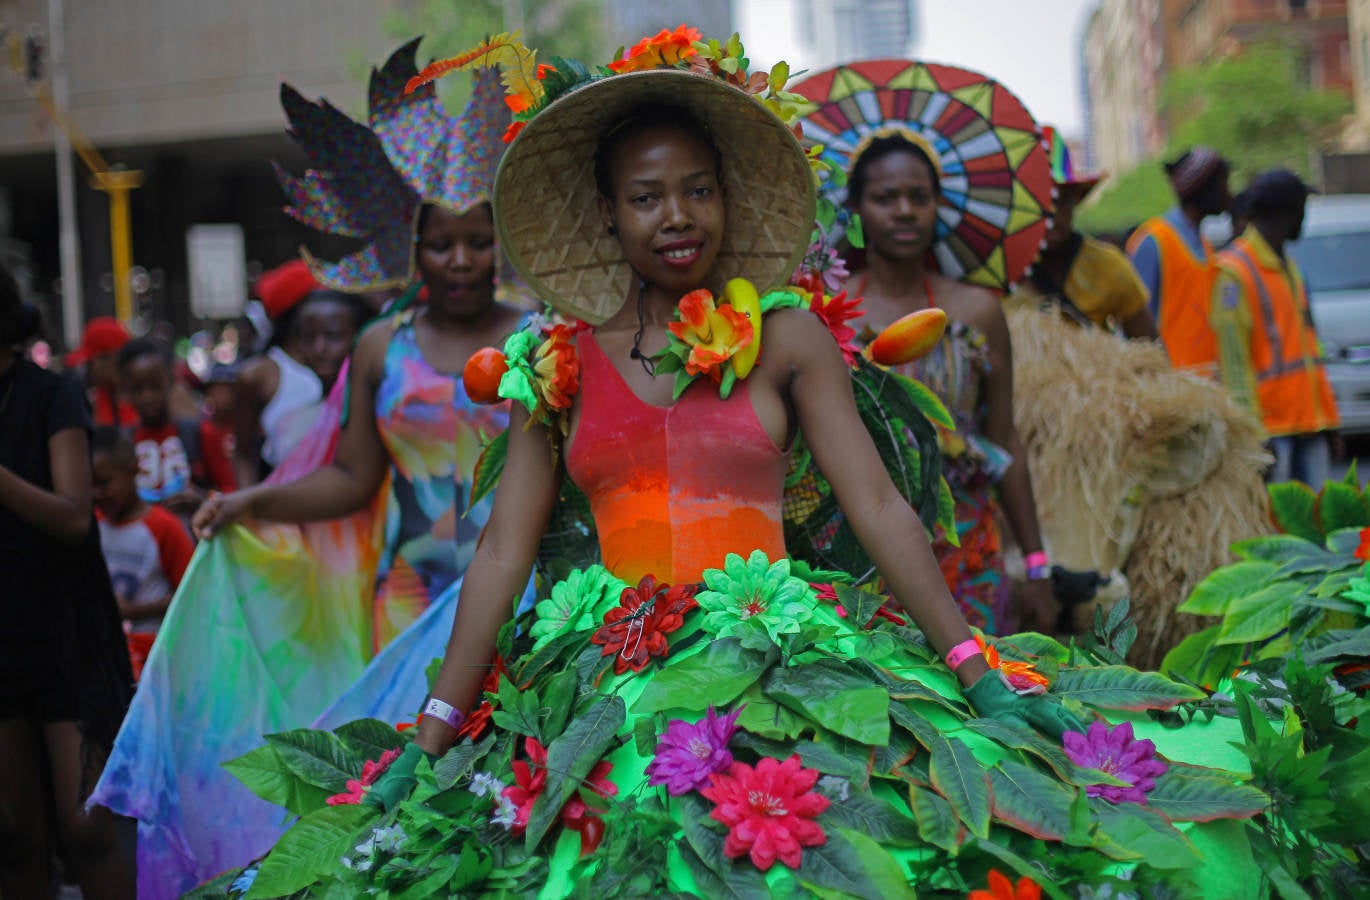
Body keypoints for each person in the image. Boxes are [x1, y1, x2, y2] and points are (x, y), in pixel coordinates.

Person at [221, 36, 1267, 900]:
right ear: (608, 216)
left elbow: (879, 506)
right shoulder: (554, 360)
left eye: (697, 190)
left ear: (725, 202)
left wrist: (970, 668)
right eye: (645, 197)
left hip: (782, 651)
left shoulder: (787, 335)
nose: (674, 216)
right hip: (596, 675)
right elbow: (500, 550)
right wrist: (437, 726)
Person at [89, 42, 521, 896]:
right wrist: (251, 500)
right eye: (442, 244)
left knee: (512, 784)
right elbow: (354, 478)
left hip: (524, 591)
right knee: (406, 787)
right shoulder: (378, 347)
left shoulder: (541, 335)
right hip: (404, 601)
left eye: (479, 241)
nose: (462, 261)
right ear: (413, 247)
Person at [792, 60, 1059, 636]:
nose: (905, 210)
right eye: (886, 197)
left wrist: (1035, 565)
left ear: (939, 205)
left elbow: (1004, 436)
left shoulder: (978, 311)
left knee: (987, 693)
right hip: (860, 546)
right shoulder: (827, 313)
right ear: (856, 209)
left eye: (919, 196)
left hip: (966, 540)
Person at [0, 263, 135, 898]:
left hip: (64, 630)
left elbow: (74, 516)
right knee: (13, 832)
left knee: (87, 826)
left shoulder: (50, 394)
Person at [1211, 168, 1339, 486]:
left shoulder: (1289, 269)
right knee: (1279, 530)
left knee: (1315, 527)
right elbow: (1234, 362)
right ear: (1291, 212)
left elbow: (1309, 350)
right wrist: (1252, 434)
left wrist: (1329, 419)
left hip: (1309, 423)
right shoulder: (1234, 271)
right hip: (1272, 433)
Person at [232, 262, 369, 487]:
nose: (320, 349)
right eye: (309, 336)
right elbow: (243, 455)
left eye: (333, 335)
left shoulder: (367, 385)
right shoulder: (261, 374)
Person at [1020, 128, 1158, 339]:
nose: (1053, 215)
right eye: (1042, 201)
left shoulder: (1109, 266)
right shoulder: (1004, 276)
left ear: (1075, 199)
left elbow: (1150, 353)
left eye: (1062, 200)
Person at [92, 427, 195, 681]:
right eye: (90, 484)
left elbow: (193, 594)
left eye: (104, 482)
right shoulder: (93, 523)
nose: (97, 493)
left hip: (155, 662)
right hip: (106, 658)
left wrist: (134, 610)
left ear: (133, 469)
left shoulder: (164, 527)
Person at [1127, 147, 1232, 374]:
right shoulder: (1153, 242)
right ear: (1203, 189)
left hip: (1205, 388)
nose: (1228, 193)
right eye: (1223, 183)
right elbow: (1136, 326)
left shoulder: (1205, 244)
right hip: (1174, 391)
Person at [118, 336, 235, 517]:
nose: (147, 396)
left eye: (155, 386)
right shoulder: (121, 443)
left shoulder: (200, 434)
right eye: (138, 389)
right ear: (125, 391)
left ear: (170, 382)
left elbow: (232, 493)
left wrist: (204, 498)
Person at [65, 315, 137, 428]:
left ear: (111, 358)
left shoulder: (145, 399)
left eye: (90, 362)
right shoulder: (91, 400)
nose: (88, 369)